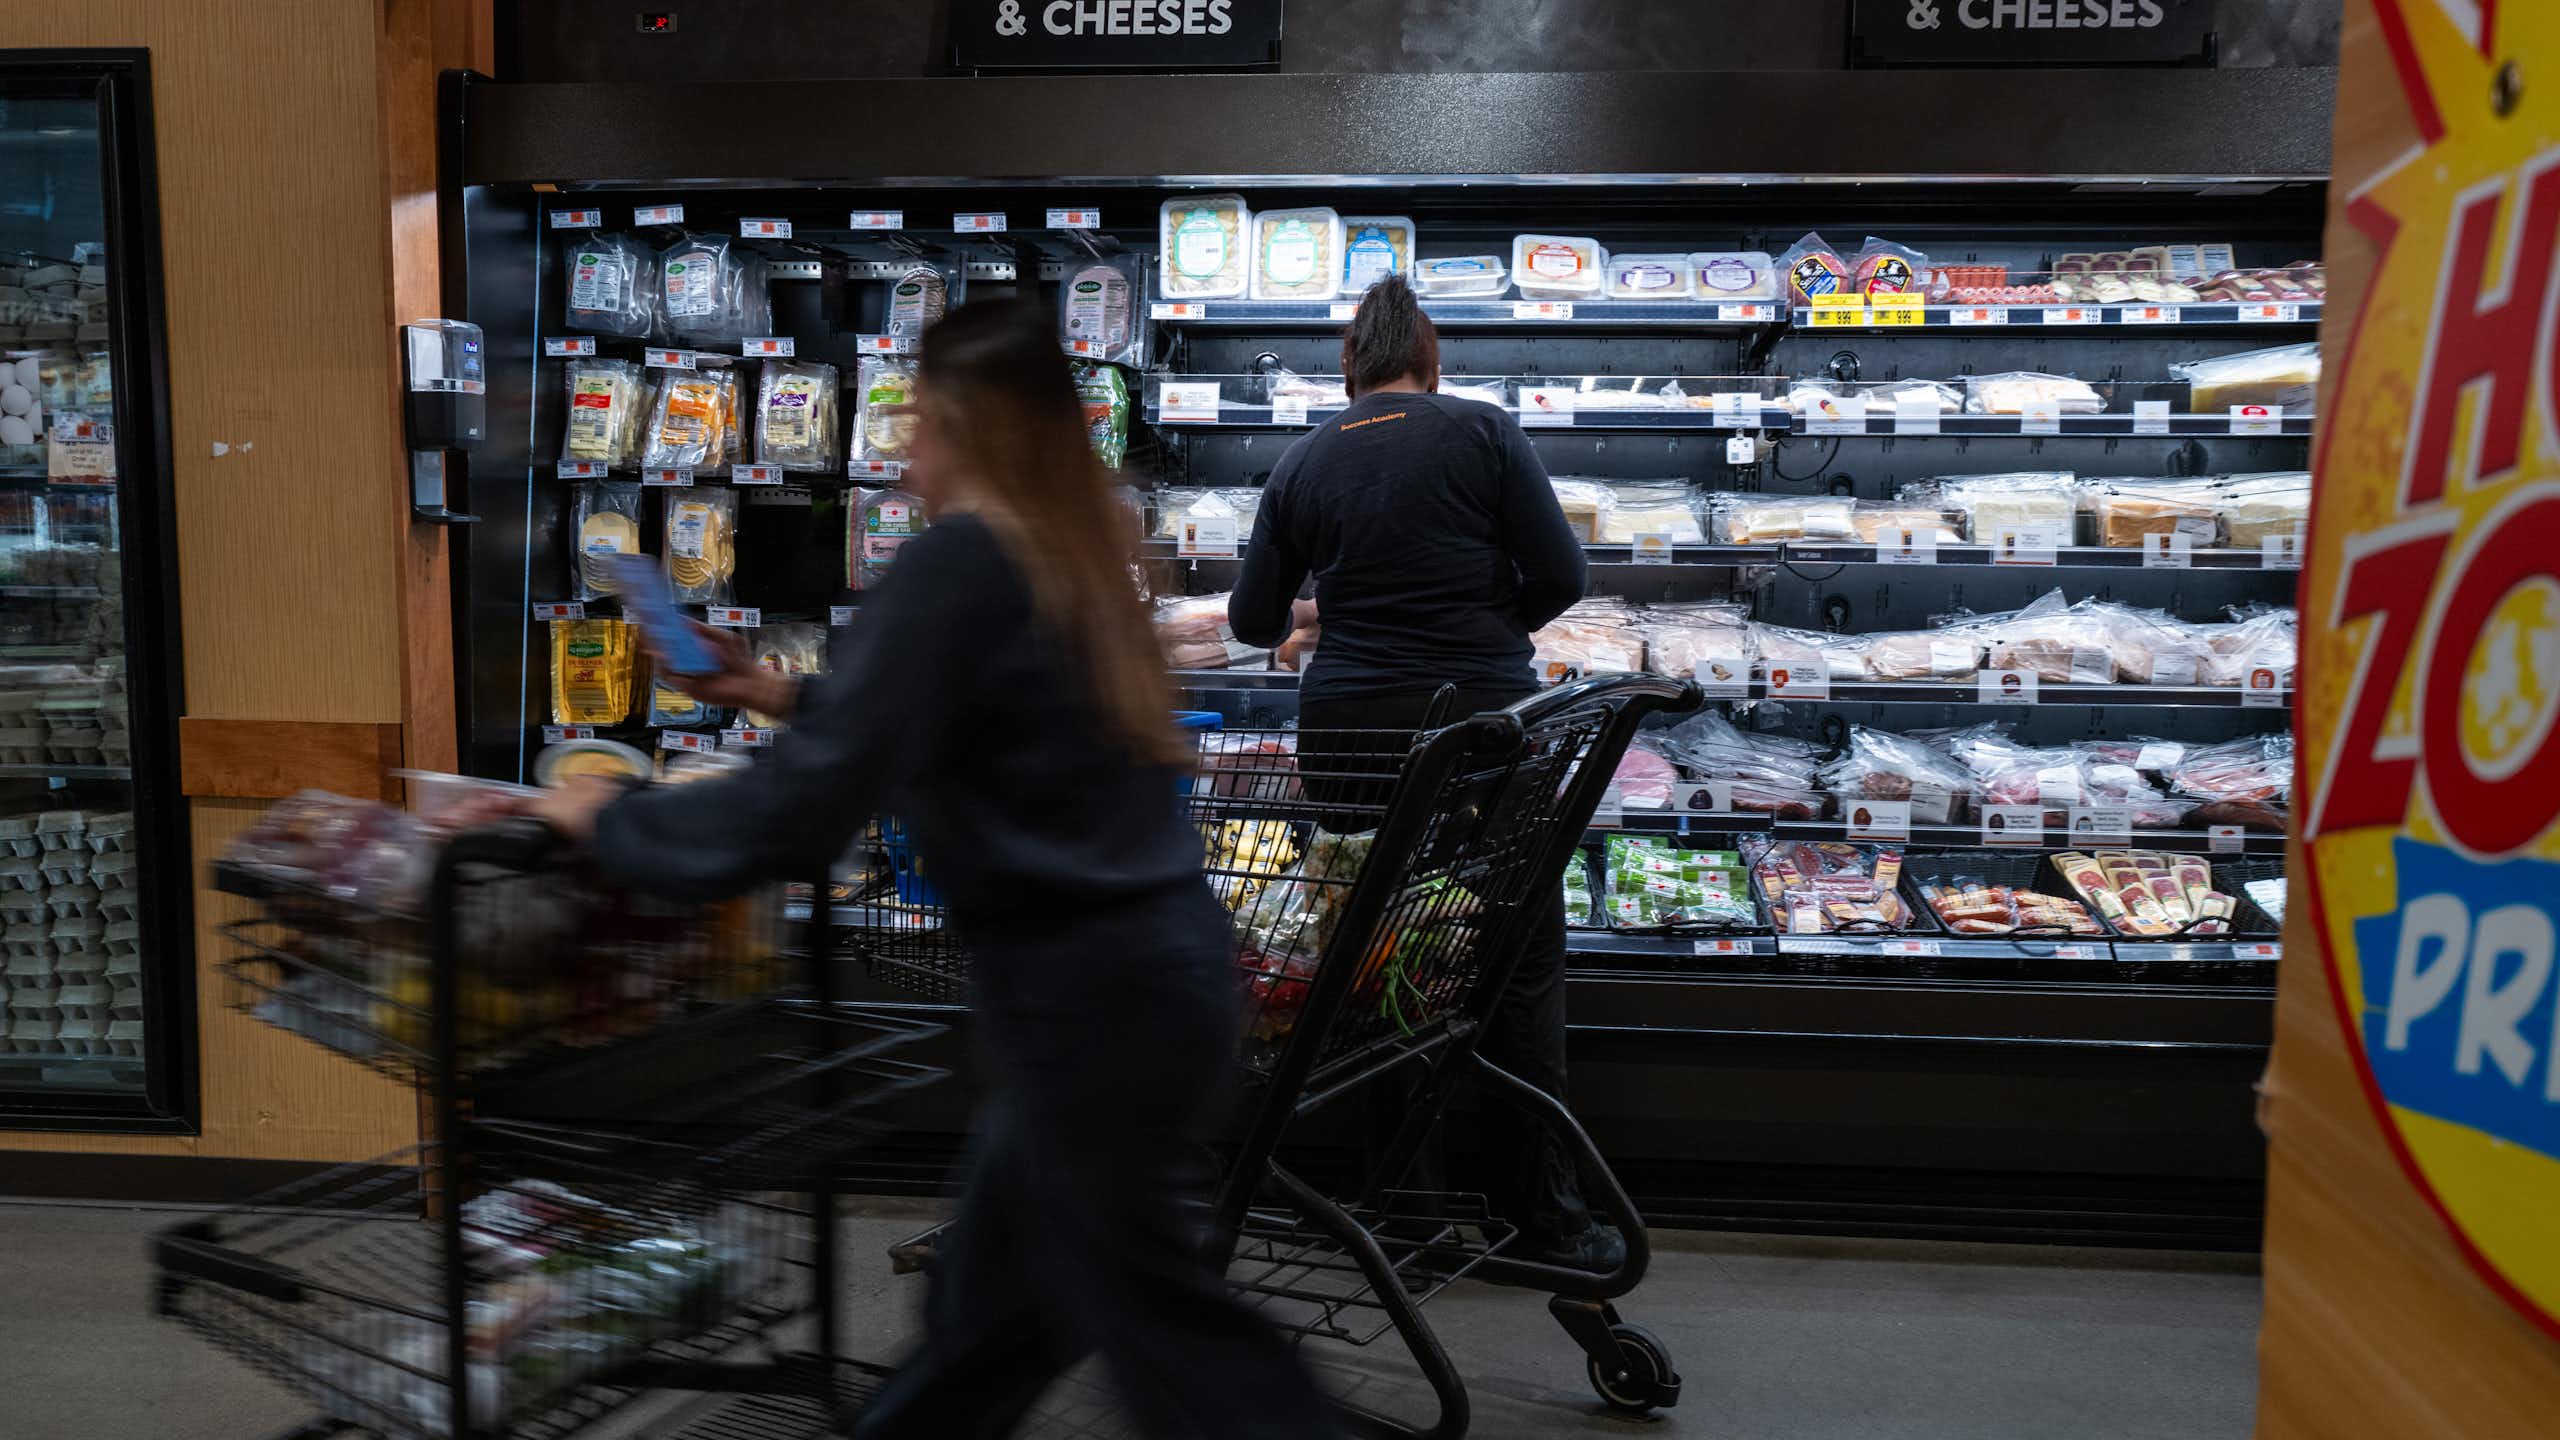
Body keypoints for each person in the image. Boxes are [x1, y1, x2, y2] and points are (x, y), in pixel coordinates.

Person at [534, 300, 1336, 1440]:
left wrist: (606, 823)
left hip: (1089, 1008)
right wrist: (769, 689)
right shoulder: (1068, 554)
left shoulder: (962, 559)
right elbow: (969, 716)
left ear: (969, 424)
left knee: (1177, 1344)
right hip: (1148, 987)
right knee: (990, 1322)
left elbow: (797, 811)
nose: (903, 454)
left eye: (918, 422)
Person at [1226, 272, 1618, 1270]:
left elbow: (1253, 622)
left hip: (1349, 736)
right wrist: (1484, 631)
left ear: (1348, 369)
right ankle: (1542, 1221)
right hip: (1482, 729)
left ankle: (1405, 1216)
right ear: (1429, 364)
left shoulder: (1304, 459)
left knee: (1377, 954)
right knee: (1513, 955)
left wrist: (1337, 611)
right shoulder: (1482, 431)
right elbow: (1563, 575)